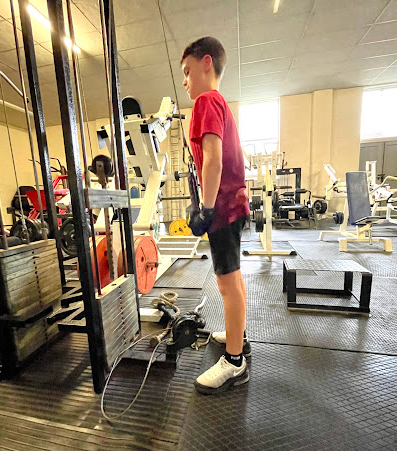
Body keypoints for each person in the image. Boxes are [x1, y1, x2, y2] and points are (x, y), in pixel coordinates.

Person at [180, 36, 251, 395]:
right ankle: (239, 336)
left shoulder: (206, 101)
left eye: (187, 71)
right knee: (233, 278)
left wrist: (205, 208)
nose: (185, 81)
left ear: (206, 63)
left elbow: (213, 159)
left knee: (226, 283)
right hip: (232, 203)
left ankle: (234, 361)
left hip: (222, 206)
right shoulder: (220, 102)